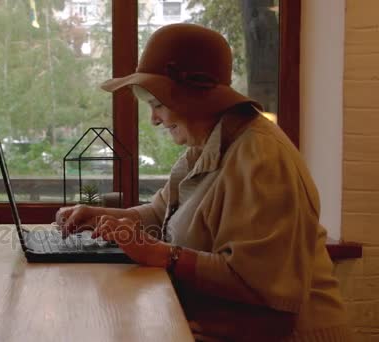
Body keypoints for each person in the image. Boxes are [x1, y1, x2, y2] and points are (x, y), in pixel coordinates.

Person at [56, 24, 350, 341]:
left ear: (189, 98)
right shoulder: (205, 148)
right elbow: (159, 214)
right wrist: (99, 216)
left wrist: (162, 254)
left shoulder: (262, 160)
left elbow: (262, 284)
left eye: (157, 105)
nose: (154, 120)